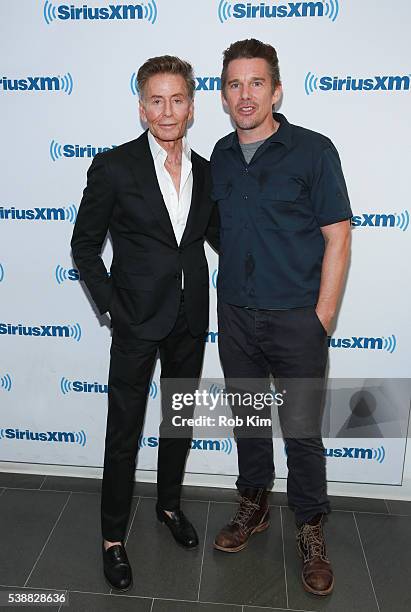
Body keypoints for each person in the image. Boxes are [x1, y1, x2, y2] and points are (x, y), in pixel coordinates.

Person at [71, 55, 219, 592]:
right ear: (141, 108)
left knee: (177, 421)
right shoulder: (113, 167)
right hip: (136, 321)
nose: (166, 110)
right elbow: (84, 246)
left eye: (177, 99)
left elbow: (220, 236)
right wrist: (113, 306)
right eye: (155, 100)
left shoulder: (206, 170)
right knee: (123, 431)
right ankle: (113, 538)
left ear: (192, 106)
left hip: (190, 320)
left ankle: (170, 507)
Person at [210, 39, 352, 596]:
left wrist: (322, 317)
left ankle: (312, 527)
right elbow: (219, 232)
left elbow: (338, 235)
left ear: (276, 89)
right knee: (248, 420)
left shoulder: (313, 151)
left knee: (301, 432)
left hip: (298, 320)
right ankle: (255, 506)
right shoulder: (219, 155)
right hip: (237, 317)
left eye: (256, 83)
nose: (246, 95)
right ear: (223, 94)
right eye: (235, 84)